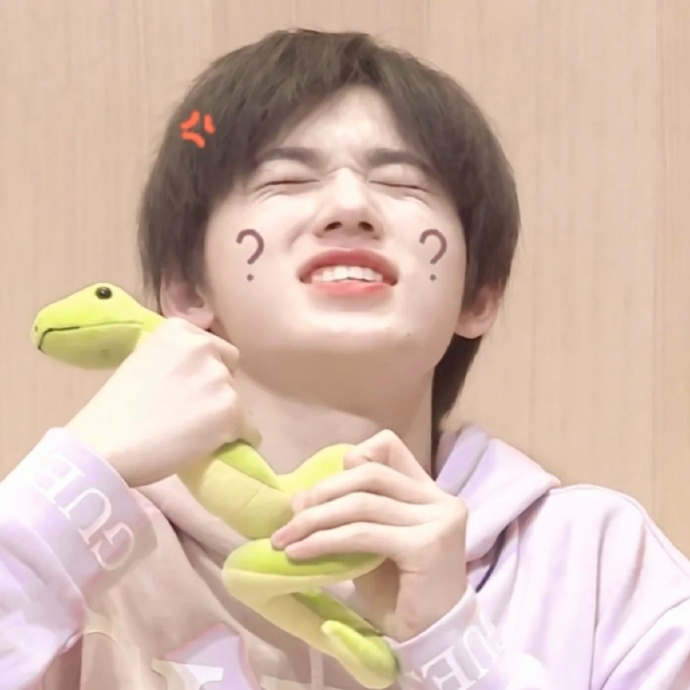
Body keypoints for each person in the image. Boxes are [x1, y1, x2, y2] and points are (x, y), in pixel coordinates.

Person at [1, 28, 689, 690]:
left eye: (404, 183)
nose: (351, 205)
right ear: (186, 290)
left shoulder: (599, 564)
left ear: (479, 294)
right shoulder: (82, 556)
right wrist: (71, 485)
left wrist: (455, 649)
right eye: (285, 179)